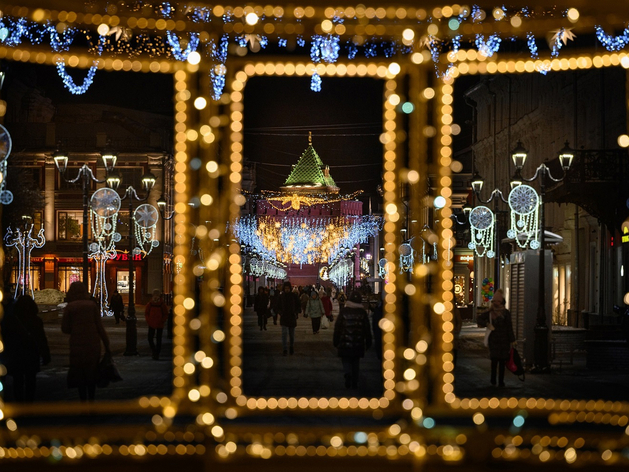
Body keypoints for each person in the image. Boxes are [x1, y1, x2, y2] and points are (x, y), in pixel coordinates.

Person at [61, 281, 110, 402]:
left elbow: (65, 328)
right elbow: (100, 326)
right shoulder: (91, 306)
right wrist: (106, 344)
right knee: (91, 373)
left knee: (80, 375)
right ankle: (91, 401)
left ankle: (83, 402)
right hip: (93, 345)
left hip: (77, 345)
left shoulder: (70, 307)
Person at [1, 295, 50, 402]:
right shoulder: (36, 320)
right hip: (31, 352)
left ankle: (19, 402)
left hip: (17, 353)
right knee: (31, 379)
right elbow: (41, 338)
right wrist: (45, 353)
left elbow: (6, 336)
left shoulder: (12, 320)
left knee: (18, 380)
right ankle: (29, 402)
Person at [333, 291, 372, 389]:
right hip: (358, 342)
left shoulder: (344, 311)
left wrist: (336, 340)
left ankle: (347, 373)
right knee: (355, 361)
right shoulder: (362, 312)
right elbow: (367, 328)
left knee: (346, 359)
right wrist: (368, 341)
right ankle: (354, 380)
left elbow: (338, 326)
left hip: (344, 342)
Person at [477, 289, 515, 387]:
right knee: (494, 361)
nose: (496, 303)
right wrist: (487, 324)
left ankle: (501, 381)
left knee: (502, 362)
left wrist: (512, 340)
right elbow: (479, 319)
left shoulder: (506, 313)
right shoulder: (489, 312)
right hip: (494, 340)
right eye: (494, 301)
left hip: (504, 341)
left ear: (501, 301)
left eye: (497, 301)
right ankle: (493, 380)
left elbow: (509, 327)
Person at [276, 281, 300, 355]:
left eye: (288, 288)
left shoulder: (294, 296)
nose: (287, 289)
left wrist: (296, 312)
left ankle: (291, 347)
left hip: (292, 317)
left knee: (291, 335)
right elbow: (277, 306)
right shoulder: (281, 296)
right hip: (284, 317)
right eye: (285, 288)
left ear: (290, 288)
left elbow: (298, 305)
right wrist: (280, 312)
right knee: (284, 333)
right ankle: (285, 349)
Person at [145, 289, 169, 360]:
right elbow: (147, 313)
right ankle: (155, 351)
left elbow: (165, 314)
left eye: (157, 295)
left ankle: (156, 353)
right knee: (151, 338)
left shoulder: (161, 304)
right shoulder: (150, 304)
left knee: (158, 339)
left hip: (159, 324)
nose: (155, 296)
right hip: (152, 323)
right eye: (155, 295)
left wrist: (162, 320)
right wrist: (149, 320)